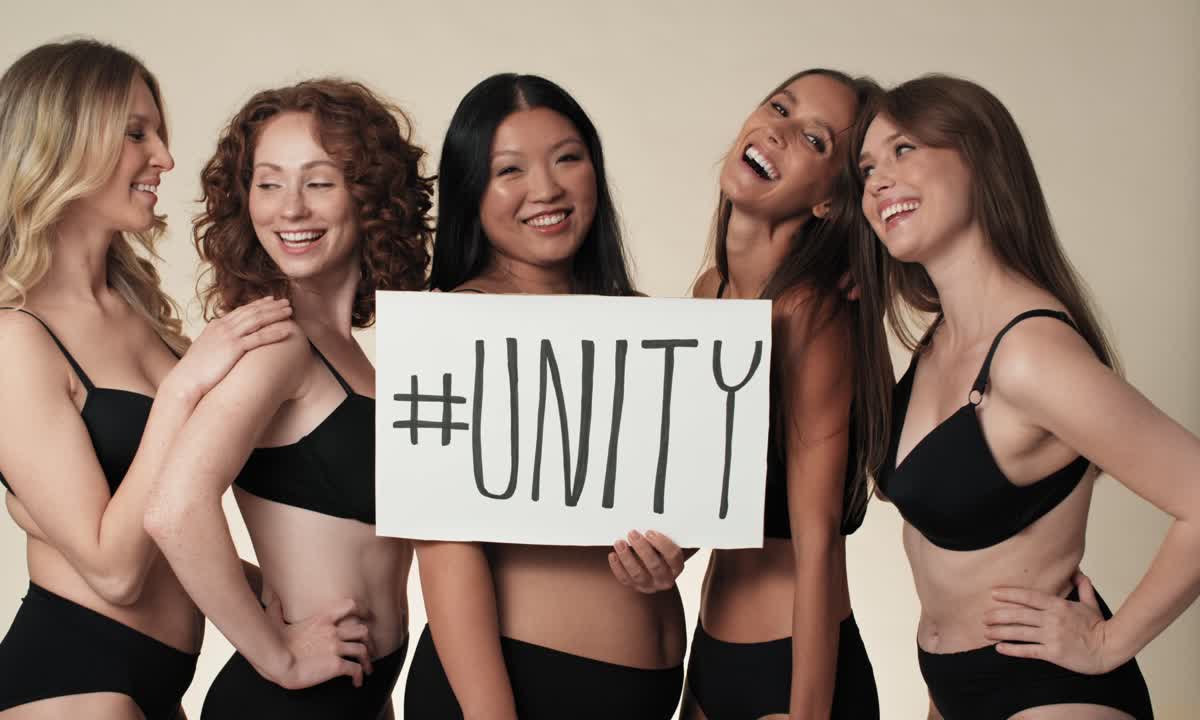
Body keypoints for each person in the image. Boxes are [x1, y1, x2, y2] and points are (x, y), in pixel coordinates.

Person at [0, 39, 295, 720]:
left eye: (158, 132)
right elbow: (115, 569)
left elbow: (165, 522)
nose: (164, 157)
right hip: (71, 682)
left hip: (156, 688)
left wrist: (276, 598)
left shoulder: (142, 318)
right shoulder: (11, 337)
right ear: (59, 147)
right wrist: (185, 391)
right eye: (135, 133)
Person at [854, 74, 1200, 719]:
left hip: (1048, 695)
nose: (876, 180)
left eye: (904, 150)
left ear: (980, 158)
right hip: (951, 689)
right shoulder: (938, 342)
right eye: (867, 166)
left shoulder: (1030, 354)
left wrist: (1106, 644)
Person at [143, 78, 433, 719]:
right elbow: (173, 509)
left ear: (369, 196)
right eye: (268, 183)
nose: (290, 209)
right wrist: (279, 655)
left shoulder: (349, 354)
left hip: (357, 694)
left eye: (319, 182)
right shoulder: (277, 342)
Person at [404, 73, 685, 720]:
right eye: (510, 170)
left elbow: (676, 497)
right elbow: (443, 547)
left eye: (567, 158)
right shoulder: (453, 325)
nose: (547, 189)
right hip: (516, 692)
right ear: (471, 190)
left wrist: (676, 550)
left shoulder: (645, 324)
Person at [643, 68, 887, 720]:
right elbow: (724, 494)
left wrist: (808, 710)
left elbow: (816, 535)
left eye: (813, 139)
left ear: (831, 202)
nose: (778, 129)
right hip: (710, 654)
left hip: (794, 666)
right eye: (779, 106)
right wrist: (670, 553)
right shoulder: (711, 290)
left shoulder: (813, 313)